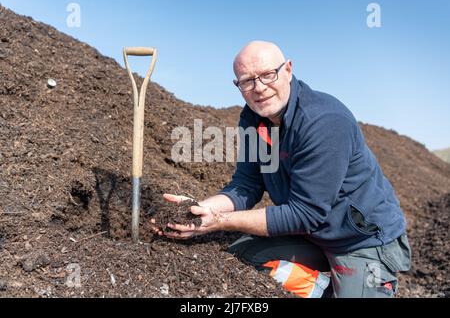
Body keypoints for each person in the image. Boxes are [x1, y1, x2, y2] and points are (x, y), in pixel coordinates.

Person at [151, 41, 411, 298]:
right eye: (247, 81)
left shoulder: (324, 122)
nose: (259, 88)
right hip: (313, 235)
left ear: (288, 69)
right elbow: (247, 184)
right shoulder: (254, 119)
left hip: (361, 240)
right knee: (242, 254)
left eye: (267, 75)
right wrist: (198, 211)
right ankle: (323, 288)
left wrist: (219, 222)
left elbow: (305, 213)